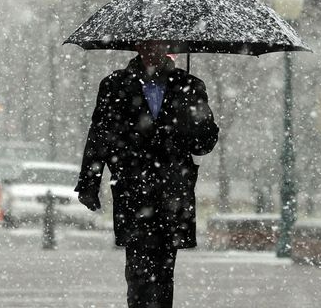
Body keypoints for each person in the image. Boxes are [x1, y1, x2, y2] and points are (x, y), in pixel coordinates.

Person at [75, 41, 219, 308]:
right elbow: (99, 136)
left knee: (164, 271)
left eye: (161, 42)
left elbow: (205, 144)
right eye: (148, 42)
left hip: (173, 192)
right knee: (139, 270)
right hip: (133, 189)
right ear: (138, 45)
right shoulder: (115, 85)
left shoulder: (190, 86)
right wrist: (89, 182)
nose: (154, 47)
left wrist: (195, 120)